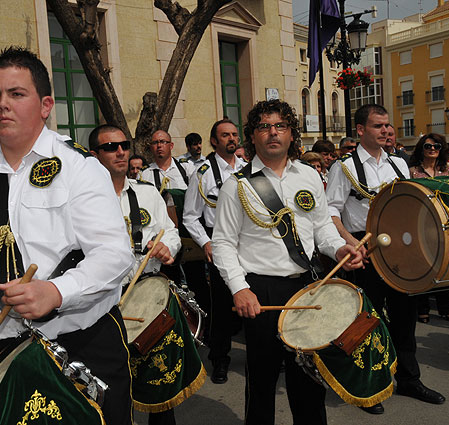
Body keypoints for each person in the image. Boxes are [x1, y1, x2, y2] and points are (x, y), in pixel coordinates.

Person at [0, 46, 135, 425]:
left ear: (45, 105)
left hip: (81, 346)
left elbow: (114, 254)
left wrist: (57, 292)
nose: (2, 105)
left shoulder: (80, 168)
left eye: (16, 94)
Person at [212, 99, 362, 425]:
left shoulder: (308, 175)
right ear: (252, 136)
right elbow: (223, 243)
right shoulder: (234, 186)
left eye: (280, 126)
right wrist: (239, 289)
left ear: (292, 134)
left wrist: (338, 249)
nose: (272, 133)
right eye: (264, 127)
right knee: (263, 383)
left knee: (309, 382)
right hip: (262, 291)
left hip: (307, 287)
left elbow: (322, 227)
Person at [326, 104, 446, 414]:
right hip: (363, 249)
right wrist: (351, 242)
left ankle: (408, 378)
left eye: (386, 125)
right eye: (378, 126)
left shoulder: (398, 164)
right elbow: (331, 211)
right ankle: (368, 385)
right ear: (361, 130)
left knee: (405, 316)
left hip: (398, 250)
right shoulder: (344, 167)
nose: (385, 131)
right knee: (365, 320)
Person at [89, 124, 182, 425]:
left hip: (146, 296)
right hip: (102, 304)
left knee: (159, 386)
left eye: (124, 145)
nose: (120, 151)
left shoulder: (147, 192)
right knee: (112, 390)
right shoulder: (82, 201)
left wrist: (166, 246)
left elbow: (172, 232)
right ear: (94, 155)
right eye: (110, 147)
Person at [183, 119, 246, 384]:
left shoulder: (249, 169)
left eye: (234, 134)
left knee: (254, 298)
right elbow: (189, 216)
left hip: (248, 242)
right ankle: (220, 358)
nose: (231, 138)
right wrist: (205, 242)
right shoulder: (203, 173)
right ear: (213, 141)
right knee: (221, 303)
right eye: (225, 135)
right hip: (219, 240)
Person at [407, 133, 449, 323]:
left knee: (443, 266)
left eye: (436, 146)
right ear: (421, 149)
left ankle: (446, 308)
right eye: (428, 146)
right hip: (421, 224)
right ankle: (423, 309)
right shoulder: (412, 171)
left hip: (444, 224)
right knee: (424, 267)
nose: (432, 150)